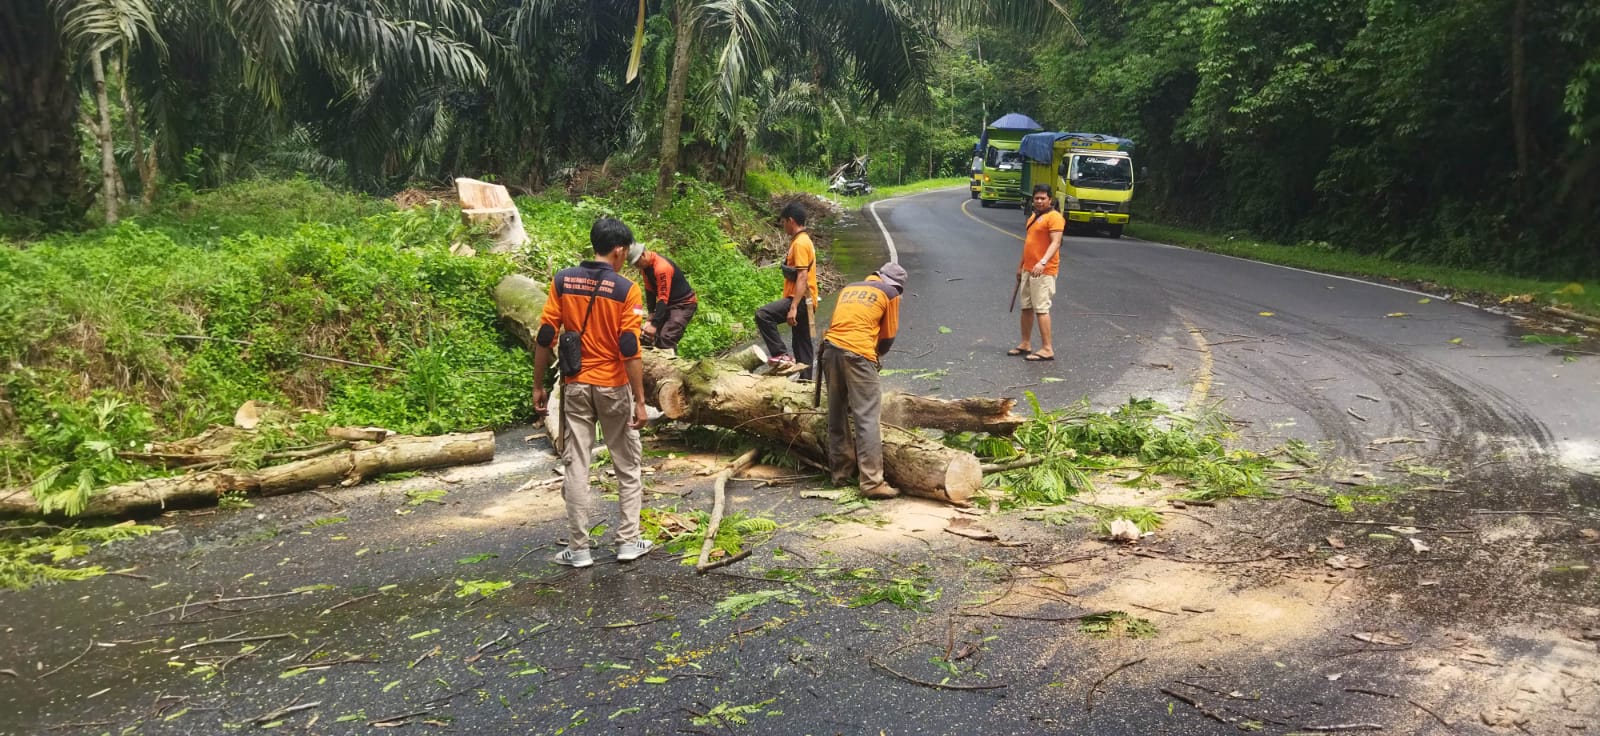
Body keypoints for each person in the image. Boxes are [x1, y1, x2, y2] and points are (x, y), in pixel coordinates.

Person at [531, 217, 653, 568]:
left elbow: (545, 336)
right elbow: (629, 346)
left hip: (575, 386)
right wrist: (640, 400)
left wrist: (539, 385)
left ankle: (579, 549)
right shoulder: (626, 289)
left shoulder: (562, 281)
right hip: (613, 386)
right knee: (627, 465)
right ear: (617, 250)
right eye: (625, 252)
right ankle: (628, 542)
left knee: (577, 464)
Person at [820, 262, 907, 500]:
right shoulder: (889, 293)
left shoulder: (850, 287)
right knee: (867, 417)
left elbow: (840, 323)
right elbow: (887, 337)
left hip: (830, 350)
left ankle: (840, 473)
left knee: (837, 414)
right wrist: (874, 357)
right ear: (893, 284)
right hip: (858, 355)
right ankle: (871, 482)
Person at [755, 201, 818, 378]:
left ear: (791, 220)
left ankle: (780, 354)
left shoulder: (799, 244)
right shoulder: (804, 241)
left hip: (799, 300)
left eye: (783, 222)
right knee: (802, 345)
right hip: (807, 300)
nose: (783, 226)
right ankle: (806, 385)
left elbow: (802, 276)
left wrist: (793, 307)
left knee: (763, 315)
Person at [1009, 184, 1064, 361]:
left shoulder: (1054, 217)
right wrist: (1020, 266)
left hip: (1044, 270)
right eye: (1037, 198)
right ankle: (1025, 343)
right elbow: (1029, 244)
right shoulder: (1033, 217)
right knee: (1026, 307)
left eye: (1043, 198)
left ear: (1050, 200)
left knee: (1041, 308)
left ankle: (1047, 348)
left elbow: (1055, 243)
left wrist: (1042, 262)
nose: (1039, 201)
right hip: (1028, 269)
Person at [626, 243, 698, 352]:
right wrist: (651, 315)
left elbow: (663, 298)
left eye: (637, 263)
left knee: (667, 337)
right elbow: (649, 291)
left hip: (683, 304)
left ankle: (669, 363)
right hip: (668, 303)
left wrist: (654, 325)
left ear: (643, 255)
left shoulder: (662, 268)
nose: (636, 266)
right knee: (649, 337)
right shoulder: (645, 268)